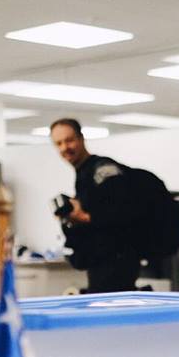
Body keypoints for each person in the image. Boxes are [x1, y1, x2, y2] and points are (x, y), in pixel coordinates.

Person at [49, 118, 142, 293]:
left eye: (69, 140)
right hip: (99, 262)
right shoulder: (84, 173)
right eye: (58, 143)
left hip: (117, 262)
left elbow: (123, 211)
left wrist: (84, 217)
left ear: (81, 138)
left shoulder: (103, 170)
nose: (64, 148)